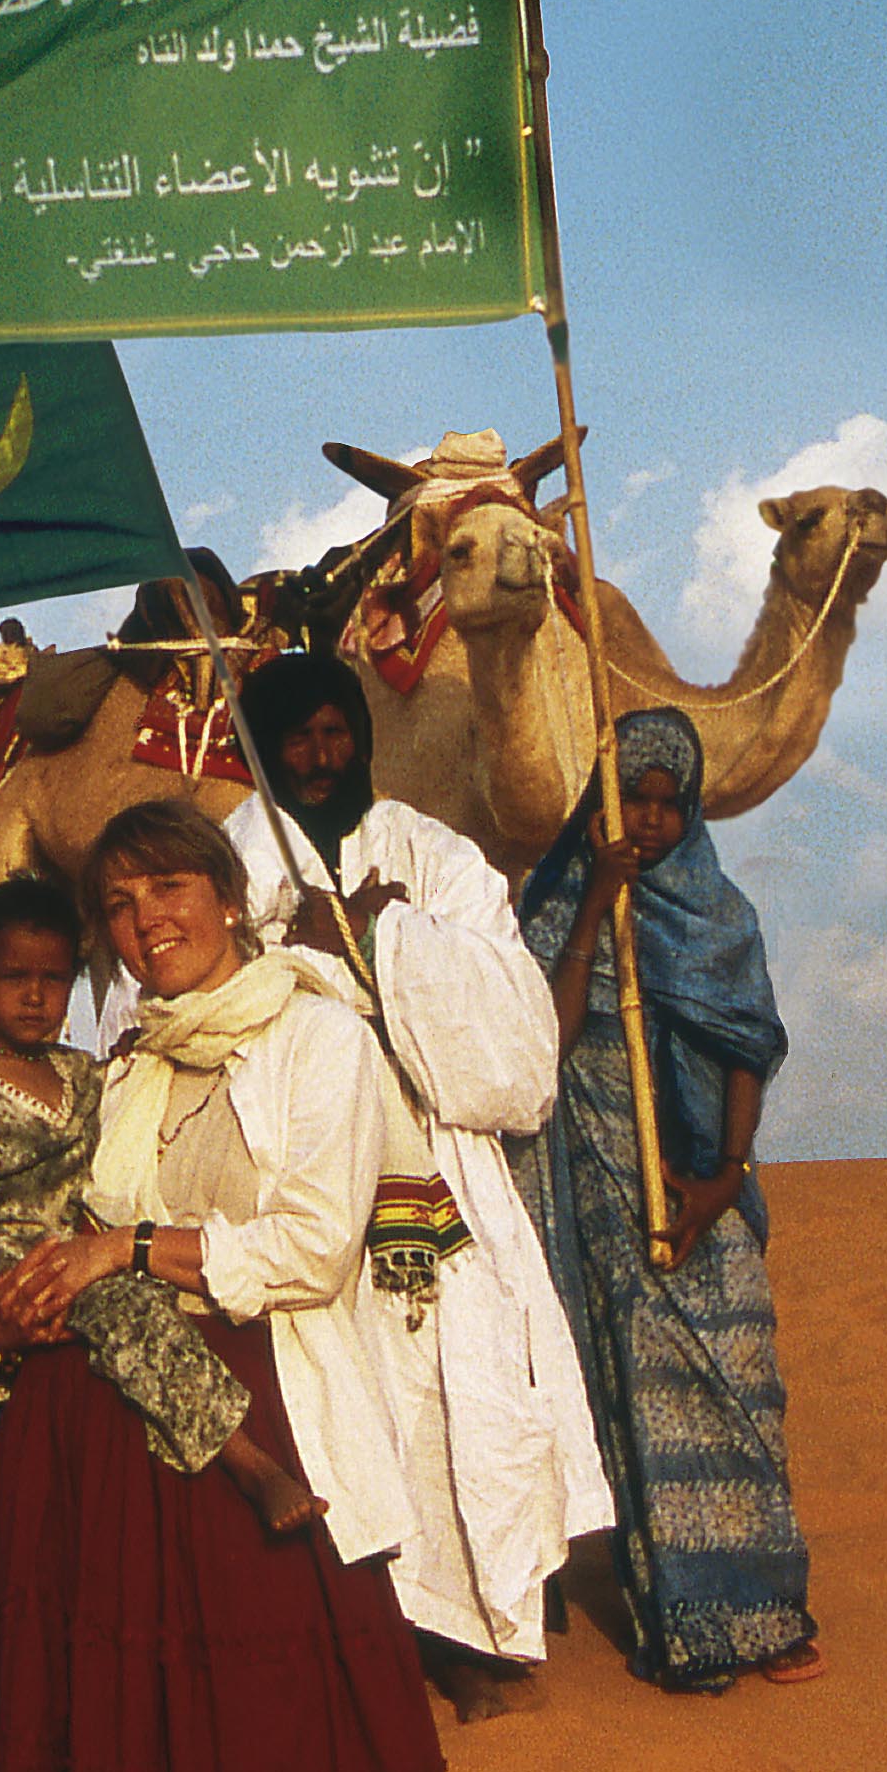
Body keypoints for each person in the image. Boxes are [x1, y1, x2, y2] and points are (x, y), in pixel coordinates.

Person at [0, 797, 465, 1772]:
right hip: (96, 1431)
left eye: (170, 890)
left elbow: (309, 1245)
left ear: (231, 896)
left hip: (263, 1406)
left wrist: (123, 1247)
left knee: (271, 1722)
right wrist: (26, 1292)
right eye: (120, 905)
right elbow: (72, 1216)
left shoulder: (317, 1035)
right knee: (110, 1731)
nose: (147, 924)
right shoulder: (129, 1056)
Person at [223, 648, 615, 1715]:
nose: (319, 755)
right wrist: (302, 951)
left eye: (335, 731)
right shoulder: (226, 864)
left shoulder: (436, 856)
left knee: (466, 1380)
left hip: (435, 1169)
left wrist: (385, 933)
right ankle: (367, 1638)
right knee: (337, 1395)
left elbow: (517, 1043)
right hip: (299, 1170)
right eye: (296, 735)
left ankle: (472, 1626)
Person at [517, 707, 821, 1692]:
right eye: (632, 799)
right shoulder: (559, 901)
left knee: (742, 1385)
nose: (649, 821)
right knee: (646, 1397)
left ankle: (770, 1611)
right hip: (609, 1174)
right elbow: (543, 1046)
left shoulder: (718, 910)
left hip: (705, 1181)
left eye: (667, 803)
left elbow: (745, 1043)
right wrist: (596, 900)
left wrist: (726, 1173)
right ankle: (688, 1626)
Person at [0, 876, 324, 1538]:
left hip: (86, 1248)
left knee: (149, 1283)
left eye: (54, 980)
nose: (34, 997)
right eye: (13, 977)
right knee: (125, 1302)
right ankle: (248, 1460)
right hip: (7, 1265)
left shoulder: (84, 1073)